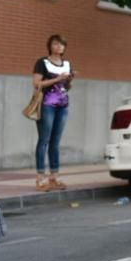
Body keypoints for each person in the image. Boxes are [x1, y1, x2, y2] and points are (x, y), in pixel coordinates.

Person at [33, 34, 74, 192]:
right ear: (50, 46)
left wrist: (69, 79)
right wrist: (57, 79)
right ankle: (40, 178)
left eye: (62, 45)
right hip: (46, 104)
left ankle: (54, 177)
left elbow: (67, 87)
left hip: (62, 105)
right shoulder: (42, 62)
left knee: (55, 142)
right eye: (56, 44)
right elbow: (36, 84)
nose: (59, 47)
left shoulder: (67, 64)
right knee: (44, 140)